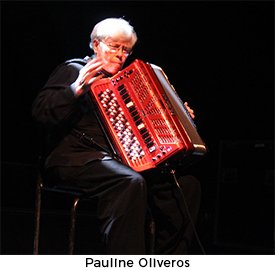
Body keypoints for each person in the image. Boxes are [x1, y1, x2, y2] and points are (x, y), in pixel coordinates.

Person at [32, 17, 202, 255]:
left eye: (126, 50)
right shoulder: (73, 70)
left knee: (186, 186)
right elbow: (41, 114)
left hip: (120, 162)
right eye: (114, 47)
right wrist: (75, 90)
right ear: (95, 44)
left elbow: (146, 129)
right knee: (129, 182)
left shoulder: (127, 84)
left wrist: (178, 115)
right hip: (73, 158)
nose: (120, 55)